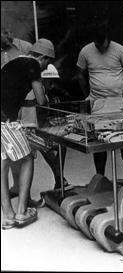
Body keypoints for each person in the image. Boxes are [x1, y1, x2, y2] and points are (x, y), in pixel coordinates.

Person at [1, 38, 54, 229]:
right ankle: (22, 212)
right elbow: (40, 100)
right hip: (6, 120)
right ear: (41, 57)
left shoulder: (14, 63)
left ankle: (7, 215)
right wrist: (46, 92)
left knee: (3, 163)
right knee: (27, 159)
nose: (47, 66)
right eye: (47, 62)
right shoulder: (33, 65)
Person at [77, 22, 123, 179]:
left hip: (119, 102)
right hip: (98, 103)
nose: (101, 48)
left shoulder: (121, 50)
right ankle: (100, 179)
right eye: (98, 44)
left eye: (103, 44)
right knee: (99, 144)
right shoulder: (85, 51)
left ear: (109, 39)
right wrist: (88, 96)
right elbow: (81, 75)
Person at [17, 64, 73, 192]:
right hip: (30, 132)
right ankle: (59, 181)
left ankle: (60, 180)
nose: (52, 85)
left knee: (48, 149)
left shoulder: (28, 90)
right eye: (51, 81)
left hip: (25, 130)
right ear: (43, 79)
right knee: (60, 144)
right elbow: (41, 116)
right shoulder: (40, 91)